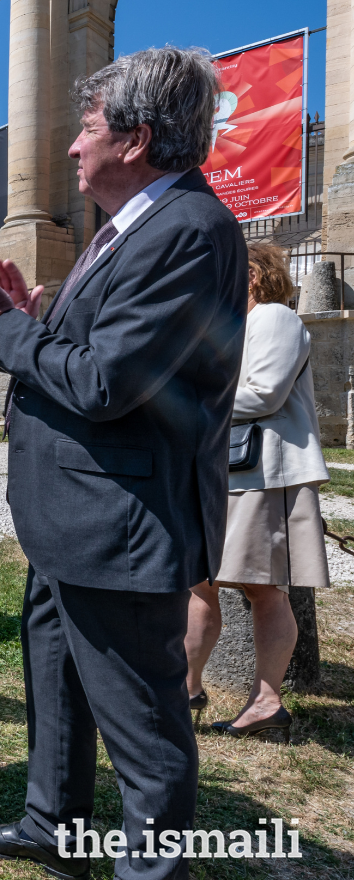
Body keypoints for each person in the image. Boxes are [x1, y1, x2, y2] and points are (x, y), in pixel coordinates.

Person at [0, 48, 246, 880]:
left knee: (144, 729)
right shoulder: (144, 225)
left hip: (120, 524)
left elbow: (107, 382)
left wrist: (2, 333)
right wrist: (27, 314)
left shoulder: (188, 229)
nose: (73, 147)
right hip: (74, 518)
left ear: (137, 138)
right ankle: (55, 827)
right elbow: (105, 353)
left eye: (86, 127)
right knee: (56, 679)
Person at [185, 243, 329, 741]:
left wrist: (186, 399)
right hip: (228, 472)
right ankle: (186, 689)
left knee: (263, 590)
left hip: (263, 473)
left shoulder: (274, 317)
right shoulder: (239, 324)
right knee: (199, 581)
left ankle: (267, 703)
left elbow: (263, 393)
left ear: (250, 275)